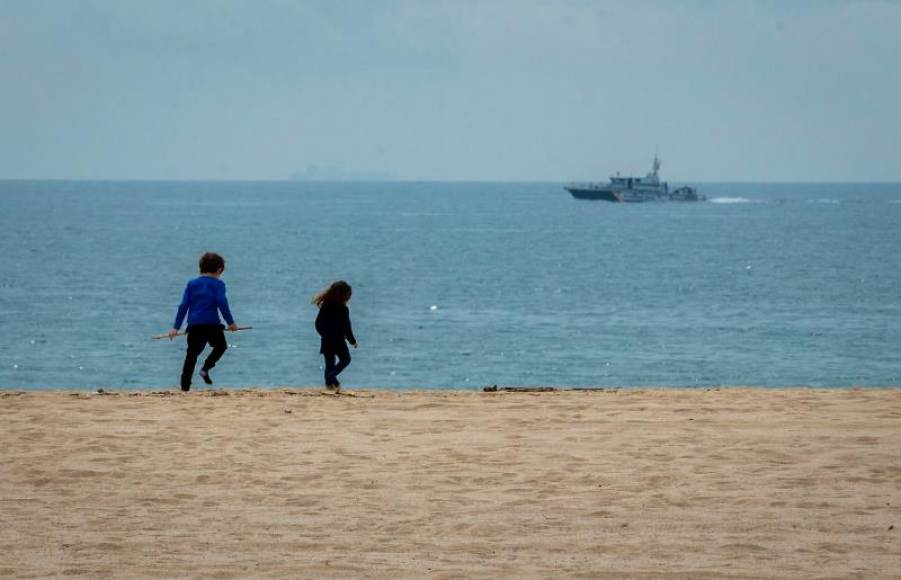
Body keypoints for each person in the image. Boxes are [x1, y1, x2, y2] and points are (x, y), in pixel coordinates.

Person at [169, 252, 239, 391]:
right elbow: (222, 303)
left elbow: (184, 305)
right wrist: (231, 322)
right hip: (212, 324)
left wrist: (175, 327)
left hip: (195, 325)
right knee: (221, 346)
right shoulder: (218, 284)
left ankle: (185, 386)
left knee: (191, 355)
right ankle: (206, 368)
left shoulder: (192, 284)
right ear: (219, 270)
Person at [312, 280, 357, 391]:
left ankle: (331, 385)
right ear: (345, 296)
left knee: (329, 364)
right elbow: (347, 328)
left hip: (326, 339)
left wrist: (324, 334)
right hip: (338, 341)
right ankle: (331, 378)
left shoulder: (326, 305)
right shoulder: (343, 310)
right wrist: (353, 341)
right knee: (346, 359)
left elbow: (318, 323)